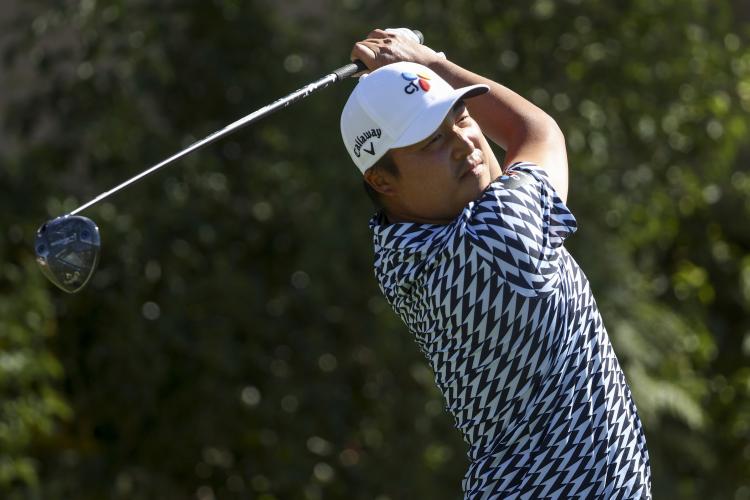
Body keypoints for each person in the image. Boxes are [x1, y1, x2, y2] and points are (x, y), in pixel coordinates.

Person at [340, 29, 652, 499]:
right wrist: (433, 62)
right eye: (430, 141)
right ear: (382, 180)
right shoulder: (499, 238)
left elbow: (486, 170)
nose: (465, 144)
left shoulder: (397, 250)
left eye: (461, 117)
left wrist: (416, 74)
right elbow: (535, 132)